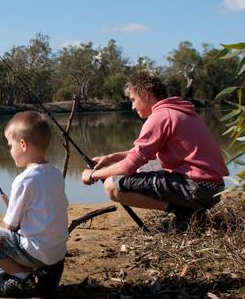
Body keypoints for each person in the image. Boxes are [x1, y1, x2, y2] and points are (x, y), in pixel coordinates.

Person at [81, 71, 228, 231]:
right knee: (141, 168)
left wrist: (93, 175)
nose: (132, 106)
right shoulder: (177, 110)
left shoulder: (160, 117)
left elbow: (129, 165)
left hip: (198, 189)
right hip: (213, 188)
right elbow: (145, 154)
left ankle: (185, 212)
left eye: (133, 100)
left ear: (145, 95)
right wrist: (111, 157)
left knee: (111, 185)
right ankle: (188, 211)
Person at [0, 111, 69, 297]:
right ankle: (40, 273)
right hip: (57, 253)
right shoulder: (55, 173)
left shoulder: (24, 180)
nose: (9, 150)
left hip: (37, 251)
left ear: (23, 145)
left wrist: (15, 220)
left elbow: (10, 225)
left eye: (10, 145)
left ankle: (23, 278)